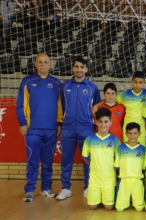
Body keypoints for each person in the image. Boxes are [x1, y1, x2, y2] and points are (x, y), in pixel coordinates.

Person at [16, 53, 62, 202]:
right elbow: (20, 104)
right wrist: (22, 123)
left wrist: (59, 123)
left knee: (48, 161)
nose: (43, 64)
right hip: (33, 130)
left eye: (46, 62)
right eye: (40, 62)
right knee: (32, 160)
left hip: (51, 130)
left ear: (50, 64)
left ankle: (46, 188)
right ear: (35, 64)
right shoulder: (28, 81)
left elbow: (60, 106)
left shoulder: (56, 83)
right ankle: (29, 190)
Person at [57, 57, 101, 200]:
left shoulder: (92, 87)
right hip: (68, 128)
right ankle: (65, 188)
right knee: (66, 160)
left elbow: (97, 108)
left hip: (86, 129)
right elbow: (61, 106)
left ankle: (88, 188)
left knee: (87, 160)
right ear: (72, 68)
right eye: (76, 66)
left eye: (82, 67)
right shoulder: (64, 86)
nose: (79, 69)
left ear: (86, 69)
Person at [82, 108, 120, 210]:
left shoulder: (115, 140)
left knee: (109, 208)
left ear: (110, 122)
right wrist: (94, 165)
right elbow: (85, 158)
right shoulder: (89, 140)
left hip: (109, 180)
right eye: (100, 122)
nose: (103, 124)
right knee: (92, 207)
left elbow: (118, 159)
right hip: (94, 180)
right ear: (96, 122)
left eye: (106, 121)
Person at [114, 122, 145, 212]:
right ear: (126, 134)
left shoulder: (143, 149)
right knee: (119, 208)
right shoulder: (120, 148)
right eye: (130, 133)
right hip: (124, 180)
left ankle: (136, 201)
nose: (132, 136)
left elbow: (144, 168)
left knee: (139, 208)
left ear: (139, 134)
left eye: (135, 133)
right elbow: (117, 166)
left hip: (137, 180)